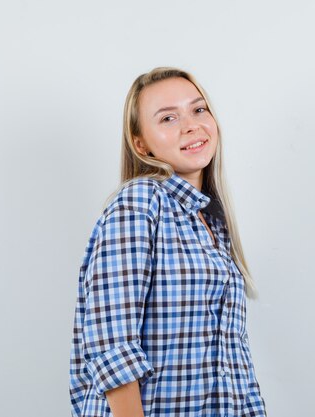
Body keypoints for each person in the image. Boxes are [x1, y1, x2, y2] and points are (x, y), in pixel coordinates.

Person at [69, 66, 267, 417]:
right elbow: (112, 347)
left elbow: (235, 362)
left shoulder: (213, 224)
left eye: (198, 109)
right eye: (168, 118)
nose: (191, 125)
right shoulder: (140, 202)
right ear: (140, 142)